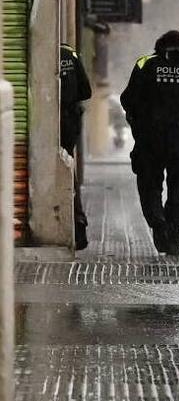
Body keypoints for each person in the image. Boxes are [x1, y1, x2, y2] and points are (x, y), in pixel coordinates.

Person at [120, 31, 179, 256]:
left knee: (150, 186)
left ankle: (159, 224)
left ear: (159, 47)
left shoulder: (146, 64)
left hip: (150, 138)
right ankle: (174, 235)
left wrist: (139, 121)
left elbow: (128, 99)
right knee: (178, 188)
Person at [60, 43, 92, 249]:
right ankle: (78, 224)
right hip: (69, 122)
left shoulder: (37, 49)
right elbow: (86, 91)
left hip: (49, 120)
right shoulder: (70, 54)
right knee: (67, 168)